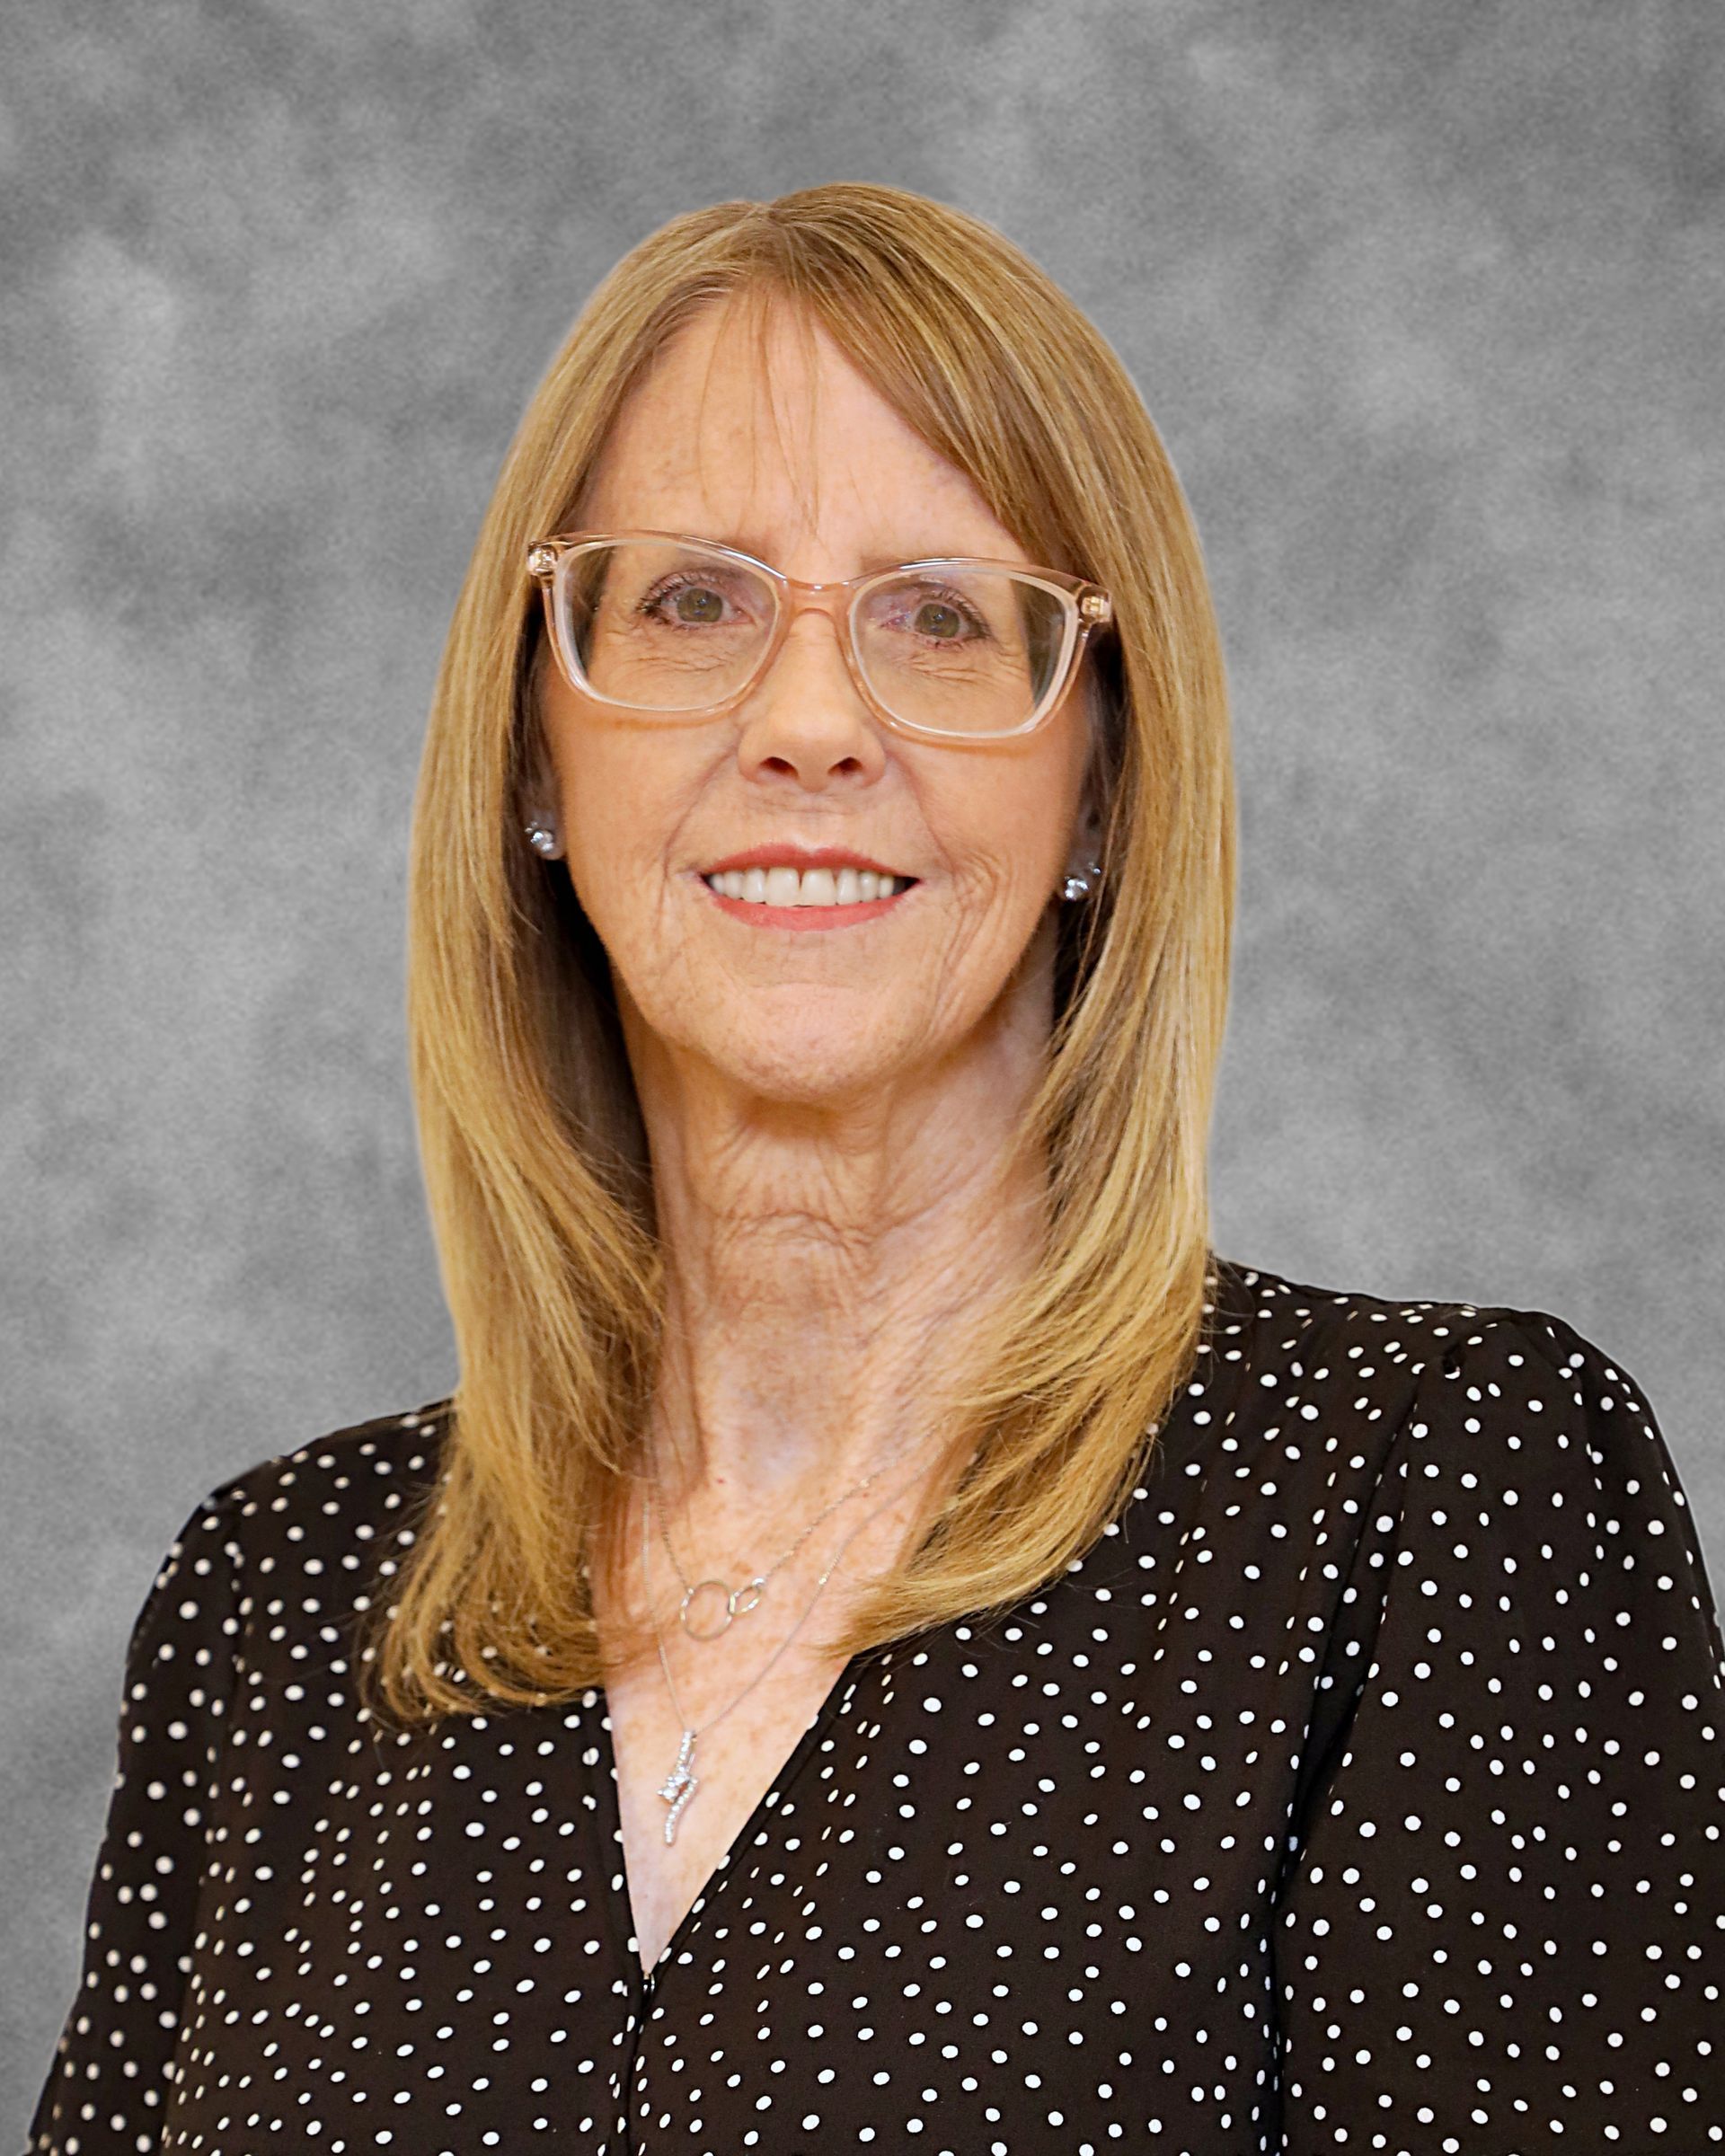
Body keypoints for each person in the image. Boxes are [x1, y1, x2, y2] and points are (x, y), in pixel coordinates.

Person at [30, 183, 1723, 2155]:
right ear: (530, 759)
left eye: (939, 618)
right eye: (690, 602)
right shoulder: (279, 1599)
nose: (809, 723)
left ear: (1101, 778)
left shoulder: (1433, 1494)